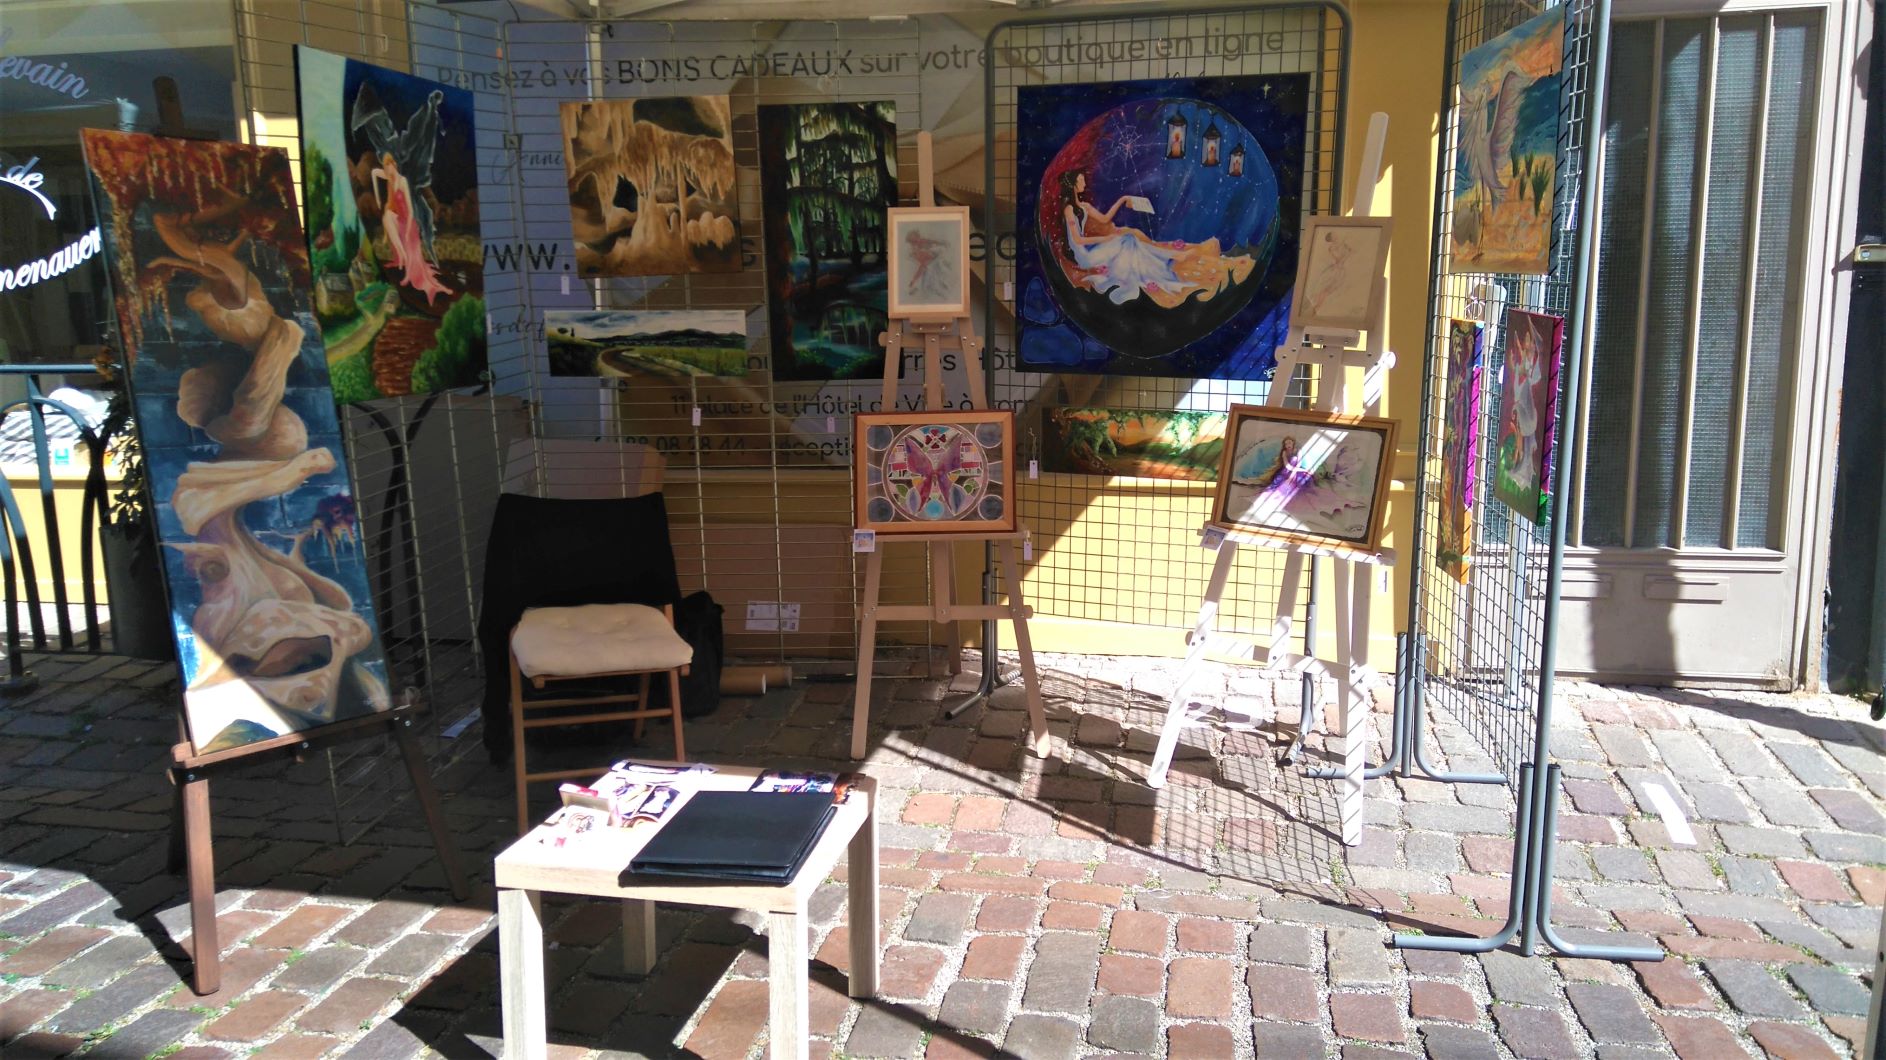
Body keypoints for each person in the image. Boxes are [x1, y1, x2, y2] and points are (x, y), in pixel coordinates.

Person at [1050, 169, 1255, 309]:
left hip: (1092, 247)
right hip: (1084, 255)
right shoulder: (1069, 210)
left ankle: (1168, 257)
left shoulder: (1084, 206)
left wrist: (1122, 200)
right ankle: (1169, 257)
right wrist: (1107, 238)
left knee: (1130, 239)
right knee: (1127, 239)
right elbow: (1077, 241)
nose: (1084, 182)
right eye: (1081, 180)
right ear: (1074, 185)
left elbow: (1105, 219)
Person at [370, 153, 451, 305]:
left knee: (391, 219)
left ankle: (407, 263)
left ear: (394, 165)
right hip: (398, 219)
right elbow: (374, 173)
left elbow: (411, 211)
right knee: (387, 215)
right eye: (386, 167)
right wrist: (378, 199)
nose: (388, 170)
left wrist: (407, 231)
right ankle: (401, 255)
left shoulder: (402, 181)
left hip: (408, 221)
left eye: (389, 166)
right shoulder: (389, 177)